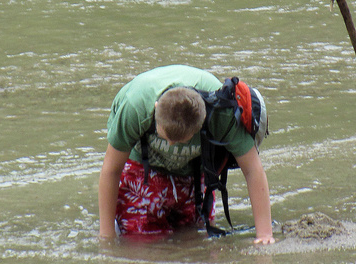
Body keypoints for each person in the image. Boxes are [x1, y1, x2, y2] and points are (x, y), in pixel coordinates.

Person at [98, 64, 274, 244]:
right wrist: (106, 235)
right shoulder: (135, 107)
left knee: (193, 237)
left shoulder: (222, 112)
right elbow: (111, 170)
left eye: (180, 140)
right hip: (142, 168)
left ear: (201, 123)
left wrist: (265, 235)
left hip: (194, 172)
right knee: (140, 239)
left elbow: (253, 169)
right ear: (156, 108)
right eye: (165, 137)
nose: (171, 145)